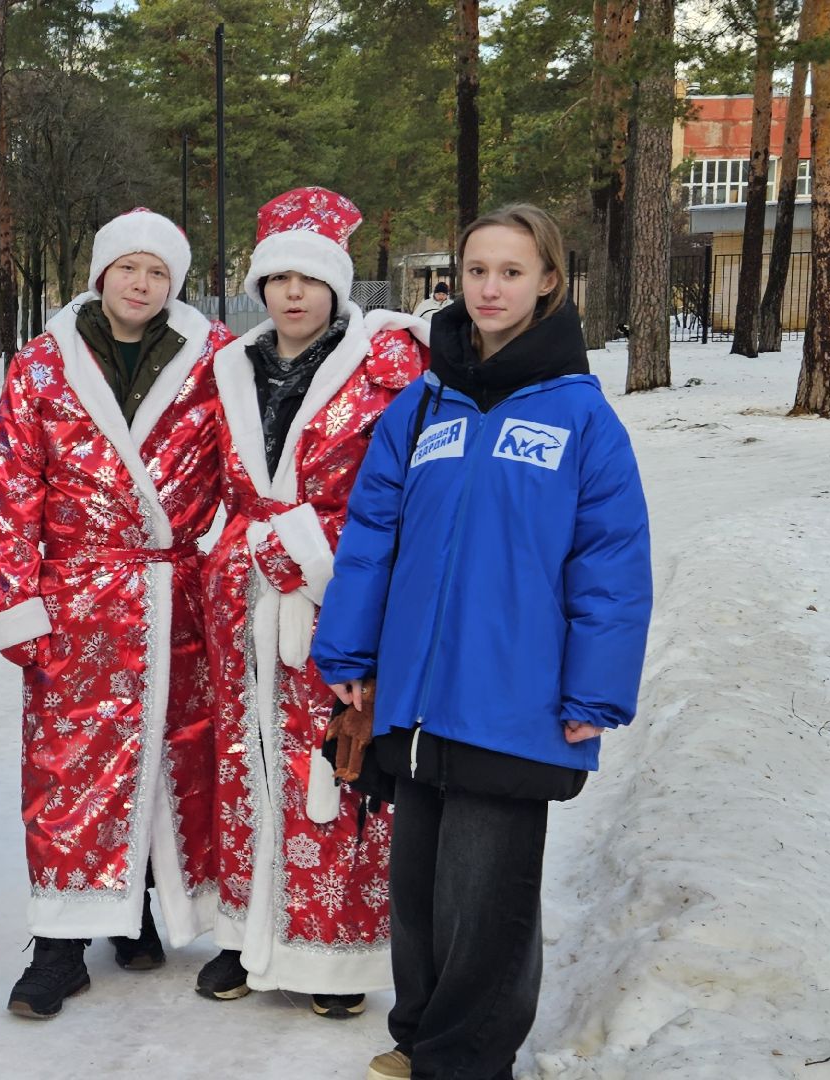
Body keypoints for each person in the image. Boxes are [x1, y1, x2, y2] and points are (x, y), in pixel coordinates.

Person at [312, 203, 652, 1080]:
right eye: (475, 271)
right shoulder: (423, 408)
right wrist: (348, 658)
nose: (490, 287)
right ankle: (422, 1031)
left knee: (487, 892)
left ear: (549, 281)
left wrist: (594, 693)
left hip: (517, 696)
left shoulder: (582, 419)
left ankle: (468, 1057)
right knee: (420, 884)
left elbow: (610, 567)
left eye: (511, 270)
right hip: (418, 692)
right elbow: (371, 537)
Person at [0, 208, 233, 1019]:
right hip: (76, 602)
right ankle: (60, 946)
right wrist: (14, 601)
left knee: (175, 757)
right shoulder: (43, 366)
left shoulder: (214, 360)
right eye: (129, 268)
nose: (142, 283)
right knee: (69, 771)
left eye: (158, 272)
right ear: (99, 274)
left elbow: (254, 465)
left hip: (175, 592)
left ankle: (141, 914)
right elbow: (11, 490)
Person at [195, 188, 429, 1018]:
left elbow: (406, 490)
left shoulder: (390, 363)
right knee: (245, 760)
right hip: (242, 599)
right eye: (279, 277)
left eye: (312, 278)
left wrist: (310, 553)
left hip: (339, 595)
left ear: (338, 286)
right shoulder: (230, 366)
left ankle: (336, 957)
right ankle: (245, 936)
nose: (294, 293)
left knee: (332, 763)